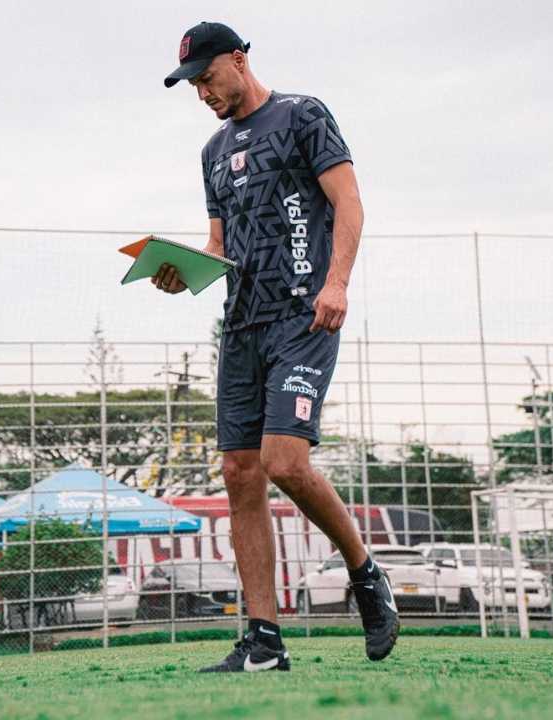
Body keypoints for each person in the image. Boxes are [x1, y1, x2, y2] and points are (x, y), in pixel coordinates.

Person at [158, 22, 395, 671]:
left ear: (239, 60)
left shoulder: (303, 116)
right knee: (240, 475)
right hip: (240, 328)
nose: (202, 92)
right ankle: (263, 641)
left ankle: (366, 574)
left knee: (285, 461)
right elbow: (219, 246)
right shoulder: (211, 152)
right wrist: (185, 271)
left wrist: (337, 282)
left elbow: (349, 203)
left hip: (304, 317)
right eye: (193, 84)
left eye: (208, 77)